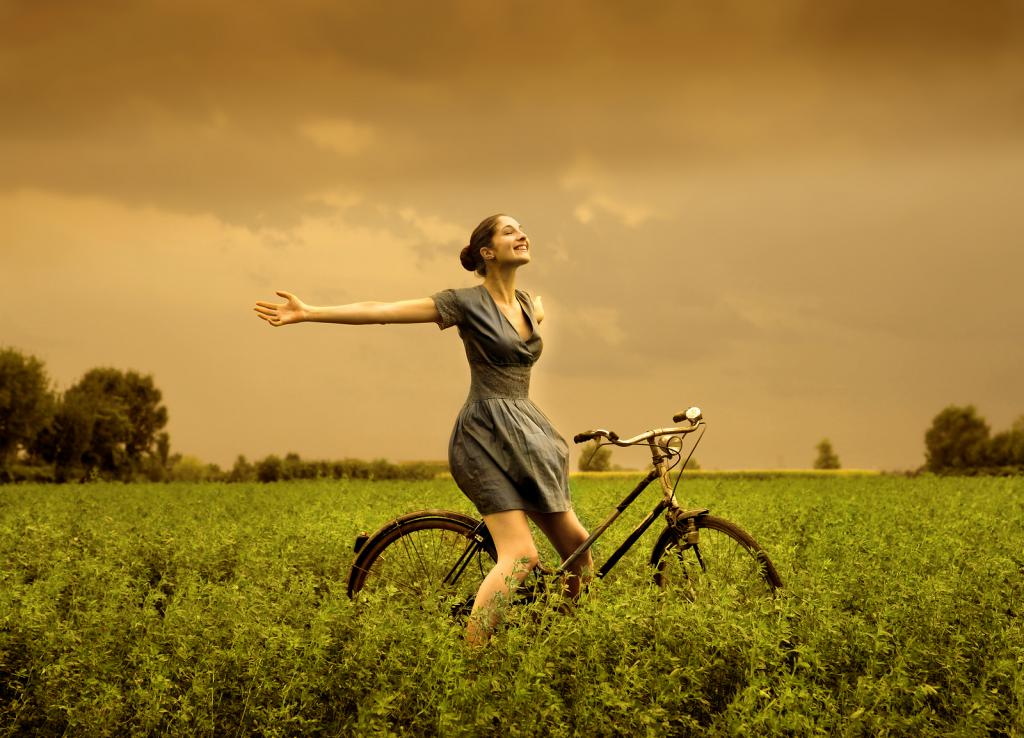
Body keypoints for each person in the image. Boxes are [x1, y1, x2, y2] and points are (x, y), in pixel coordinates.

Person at [253, 214, 593, 645]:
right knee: (521, 556)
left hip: (529, 433)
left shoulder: (527, 302)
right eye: (509, 231)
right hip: (485, 435)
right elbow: (382, 311)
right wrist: (310, 312)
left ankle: (561, 638)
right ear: (487, 253)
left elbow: (529, 328)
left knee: (579, 549)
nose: (522, 234)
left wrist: (538, 313)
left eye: (523, 228)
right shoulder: (465, 302)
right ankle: (473, 663)